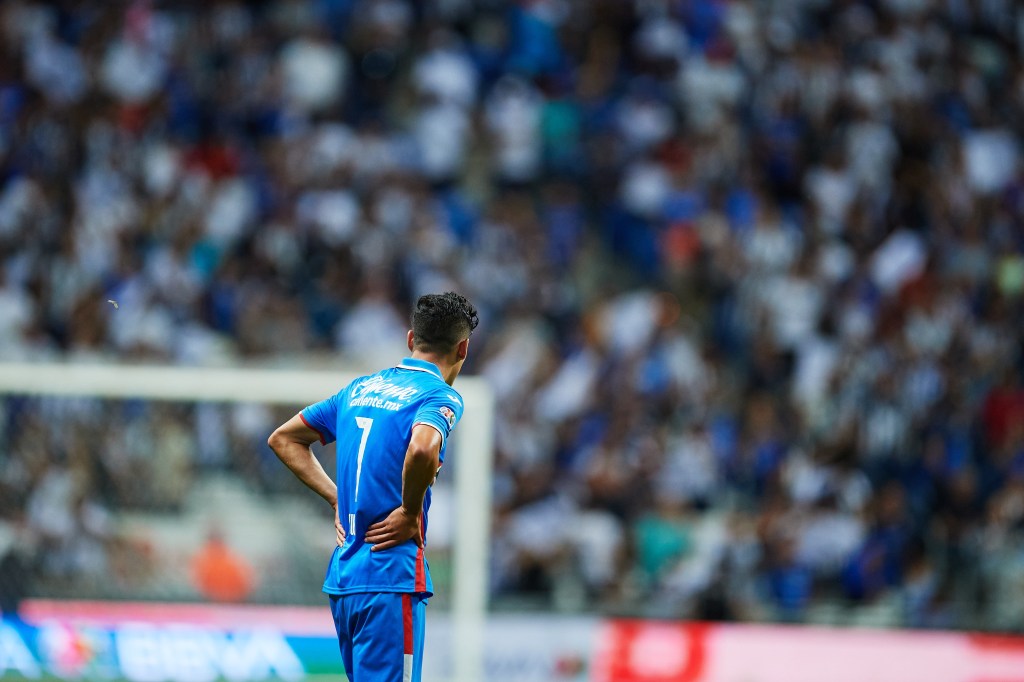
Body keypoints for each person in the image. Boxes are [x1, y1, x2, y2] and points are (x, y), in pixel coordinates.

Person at [268, 292, 478, 682]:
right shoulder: (439, 396)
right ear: (463, 348)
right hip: (390, 575)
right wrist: (410, 511)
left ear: (411, 338)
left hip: (346, 578)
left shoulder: (358, 389)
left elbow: (283, 439)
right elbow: (422, 448)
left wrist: (337, 497)